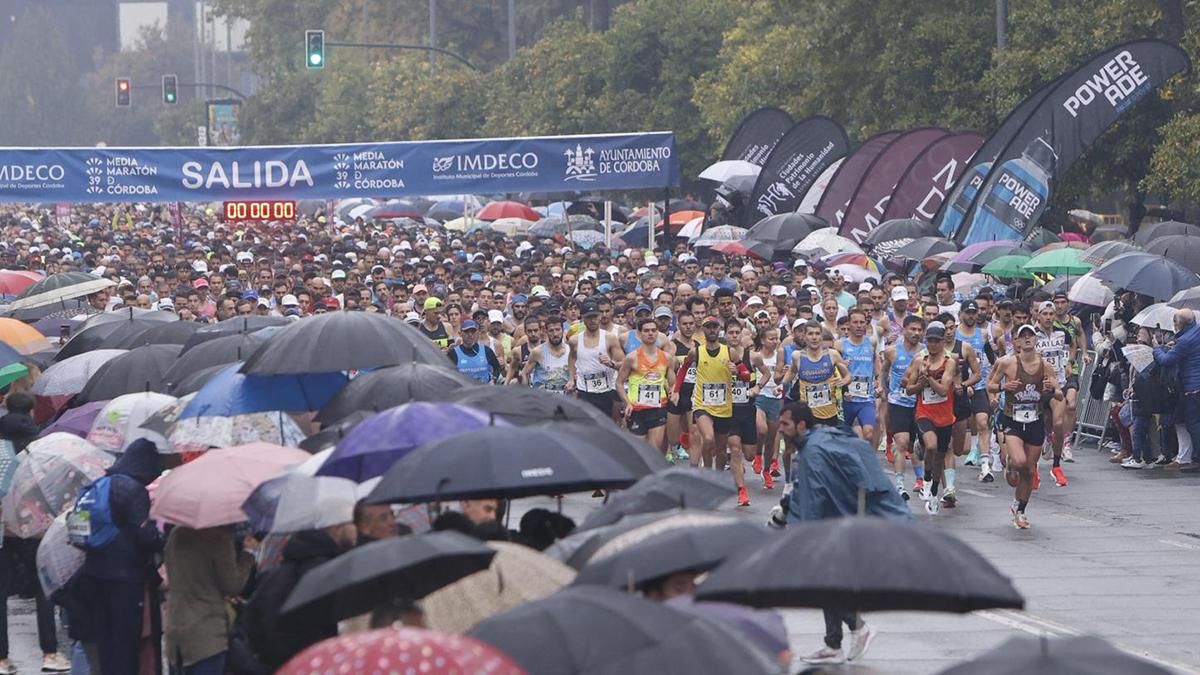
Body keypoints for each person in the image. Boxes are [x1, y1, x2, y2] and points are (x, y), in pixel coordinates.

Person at [769, 402, 911, 665]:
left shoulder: (813, 452)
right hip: (838, 522)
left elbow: (817, 498)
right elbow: (801, 488)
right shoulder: (814, 442)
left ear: (801, 425)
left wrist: (802, 537)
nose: (780, 429)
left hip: (834, 526)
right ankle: (833, 644)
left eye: (785, 424)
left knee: (822, 582)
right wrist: (785, 509)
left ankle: (858, 628)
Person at [78, 438, 164, 675]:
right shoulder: (134, 490)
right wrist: (160, 537)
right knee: (126, 640)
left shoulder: (102, 483)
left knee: (105, 638)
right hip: (126, 577)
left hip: (95, 571)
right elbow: (143, 535)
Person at [242, 519, 358, 671]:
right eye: (352, 523)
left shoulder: (281, 571)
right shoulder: (328, 571)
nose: (356, 529)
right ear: (337, 528)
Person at [987, 323, 1061, 529]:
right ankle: (1010, 462)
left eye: (1031, 335)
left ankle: (1019, 509)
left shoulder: (1046, 366)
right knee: (1019, 462)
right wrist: (1003, 387)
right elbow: (990, 385)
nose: (1027, 338)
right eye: (1023, 336)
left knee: (1029, 469)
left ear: (1036, 340)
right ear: (1016, 341)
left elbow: (1059, 394)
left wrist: (1050, 389)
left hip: (1035, 421)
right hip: (1013, 419)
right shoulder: (1007, 364)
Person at [678, 315, 751, 506]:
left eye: (714, 327)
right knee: (707, 438)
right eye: (708, 327)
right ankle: (706, 475)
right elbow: (683, 369)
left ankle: (715, 480)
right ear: (703, 330)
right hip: (702, 405)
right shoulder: (697, 352)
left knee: (720, 450)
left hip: (724, 407)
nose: (712, 330)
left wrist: (739, 372)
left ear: (719, 330)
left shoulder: (730, 352)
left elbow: (746, 375)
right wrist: (676, 390)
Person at [164, 526, 255, 675]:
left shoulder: (176, 534)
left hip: (176, 632)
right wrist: (248, 554)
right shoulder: (218, 538)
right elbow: (232, 585)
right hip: (207, 635)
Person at [905, 321, 957, 515]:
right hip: (924, 412)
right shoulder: (920, 361)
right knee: (932, 446)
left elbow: (943, 391)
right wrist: (921, 383)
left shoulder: (949, 363)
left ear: (943, 342)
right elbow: (909, 389)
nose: (933, 344)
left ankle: (934, 490)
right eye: (930, 341)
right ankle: (926, 479)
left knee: (940, 458)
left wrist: (930, 379)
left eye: (936, 341)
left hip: (945, 415)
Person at [615, 317, 676, 453]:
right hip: (637, 409)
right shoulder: (632, 358)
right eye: (647, 331)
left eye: (654, 330)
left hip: (658, 408)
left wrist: (673, 391)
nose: (650, 333)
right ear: (640, 334)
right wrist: (627, 403)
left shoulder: (667, 358)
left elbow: (673, 383)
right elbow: (619, 383)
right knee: (638, 453)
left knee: (653, 451)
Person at [1152, 308, 1200, 472]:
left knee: (1193, 424)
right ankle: (1184, 457)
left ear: (1178, 323)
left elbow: (1166, 360)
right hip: (1190, 386)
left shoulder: (1185, 340)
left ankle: (1196, 459)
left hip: (1191, 387)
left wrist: (1156, 348)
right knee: (1181, 420)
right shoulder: (1195, 332)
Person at [1034, 300, 1074, 486]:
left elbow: (1070, 346)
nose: (1049, 317)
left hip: (1059, 384)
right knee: (1035, 427)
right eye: (1045, 314)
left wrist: (1069, 362)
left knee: (1058, 423)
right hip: (1037, 387)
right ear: (1039, 315)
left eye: (1051, 314)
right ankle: (1033, 468)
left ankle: (1056, 466)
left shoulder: (1062, 333)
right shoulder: (1032, 335)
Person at [567, 300, 624, 421]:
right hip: (584, 391)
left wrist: (611, 363)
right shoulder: (574, 340)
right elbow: (572, 358)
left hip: (606, 391)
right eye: (589, 317)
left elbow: (623, 364)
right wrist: (571, 378)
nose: (592, 320)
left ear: (599, 317)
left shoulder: (610, 338)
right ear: (582, 318)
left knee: (607, 427)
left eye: (595, 316)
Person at [836, 308, 877, 442]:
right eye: (855, 322)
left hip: (866, 398)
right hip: (846, 398)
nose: (859, 325)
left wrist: (878, 382)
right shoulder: (840, 345)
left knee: (869, 433)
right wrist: (842, 367)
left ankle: (865, 460)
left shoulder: (871, 343)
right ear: (849, 324)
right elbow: (833, 368)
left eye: (862, 322)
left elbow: (877, 364)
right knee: (843, 437)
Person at [522, 316, 570, 392]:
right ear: (546, 332)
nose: (555, 334)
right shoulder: (538, 352)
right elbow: (524, 373)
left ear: (563, 330)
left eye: (558, 330)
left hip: (564, 396)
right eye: (551, 331)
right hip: (543, 397)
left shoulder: (570, 351)